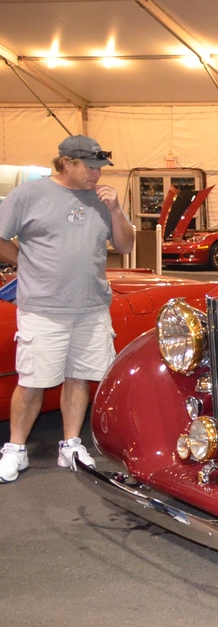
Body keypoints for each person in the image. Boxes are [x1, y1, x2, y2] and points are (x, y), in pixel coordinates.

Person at [0, 135, 134, 483]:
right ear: (66, 163)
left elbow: (125, 244)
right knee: (32, 381)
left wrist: (117, 209)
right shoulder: (29, 195)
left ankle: (70, 444)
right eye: (89, 167)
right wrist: (25, 264)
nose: (97, 175)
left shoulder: (103, 200)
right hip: (43, 307)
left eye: (100, 168)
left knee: (79, 376)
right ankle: (16, 448)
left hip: (90, 307)